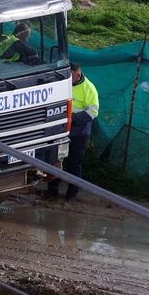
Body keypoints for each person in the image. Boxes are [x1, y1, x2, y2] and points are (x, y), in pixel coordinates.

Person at [48, 62, 99, 200]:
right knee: (55, 161)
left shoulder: (89, 88)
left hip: (78, 133)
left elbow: (93, 112)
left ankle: (72, 195)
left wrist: (73, 118)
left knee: (74, 164)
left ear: (78, 74)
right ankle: (51, 191)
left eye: (71, 77)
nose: (69, 80)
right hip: (60, 130)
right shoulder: (64, 83)